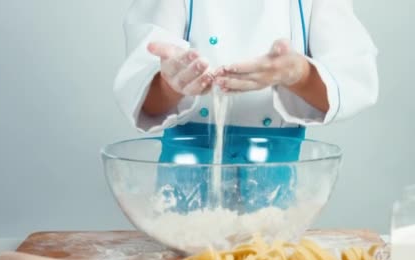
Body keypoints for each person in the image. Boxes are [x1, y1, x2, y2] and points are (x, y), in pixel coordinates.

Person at [113, 0, 378, 213]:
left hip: (273, 170)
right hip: (187, 170)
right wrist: (173, 83)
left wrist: (298, 74)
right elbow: (146, 98)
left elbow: (348, 81)